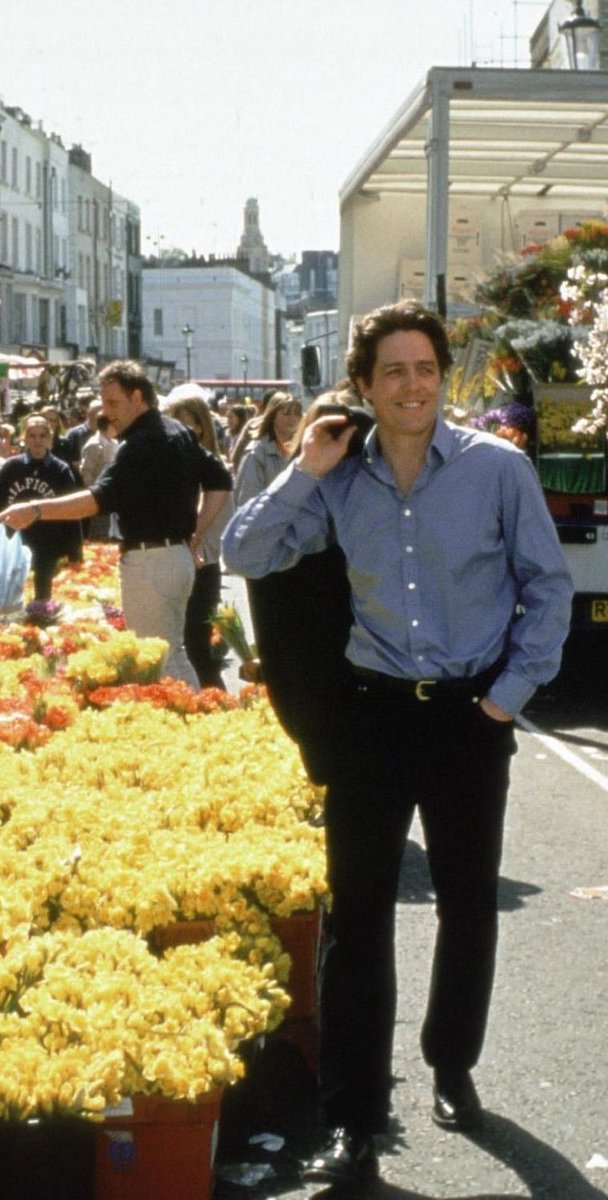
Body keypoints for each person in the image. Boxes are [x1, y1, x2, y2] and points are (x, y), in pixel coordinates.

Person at [222, 300, 572, 1188]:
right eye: (392, 373)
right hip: (372, 718)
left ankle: (452, 1066)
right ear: (365, 386)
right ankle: (355, 1113)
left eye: (424, 369)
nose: (412, 387)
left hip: (468, 721)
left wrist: (505, 701)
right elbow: (246, 550)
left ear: (442, 378)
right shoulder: (339, 476)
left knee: (467, 903)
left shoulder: (497, 471)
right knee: (359, 917)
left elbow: (548, 588)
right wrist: (306, 465)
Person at [0, 359, 232, 689]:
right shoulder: (178, 431)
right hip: (174, 558)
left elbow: (96, 500)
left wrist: (35, 509)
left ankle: (188, 725)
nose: (106, 413)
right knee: (173, 654)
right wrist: (195, 533)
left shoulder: (141, 444)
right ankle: (197, 720)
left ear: (138, 398)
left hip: (152, 563)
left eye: (113, 403)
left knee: (156, 661)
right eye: (103, 403)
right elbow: (220, 481)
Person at [240, 392, 371, 782]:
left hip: (343, 673)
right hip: (317, 663)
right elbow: (245, 553)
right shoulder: (300, 501)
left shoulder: (377, 499)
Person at [0, 414, 83, 601]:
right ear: (24, 438)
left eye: (42, 435)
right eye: (32, 435)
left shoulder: (60, 470)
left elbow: (72, 511)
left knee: (42, 594)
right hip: (14, 539)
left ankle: (40, 619)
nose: (37, 440)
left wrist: (74, 551)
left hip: (47, 540)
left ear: (50, 438)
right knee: (10, 594)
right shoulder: (12, 467)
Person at [167, 392, 234, 690]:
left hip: (201, 565)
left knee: (198, 648)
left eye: (184, 426)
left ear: (201, 428)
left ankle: (214, 704)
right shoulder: (175, 467)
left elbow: (216, 525)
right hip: (177, 564)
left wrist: (194, 543)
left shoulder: (214, 468)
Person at [232, 393, 304, 506]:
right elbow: (248, 498)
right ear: (272, 416)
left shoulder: (302, 450)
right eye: (286, 414)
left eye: (297, 414)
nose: (293, 418)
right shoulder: (257, 451)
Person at [78, 413, 118, 541]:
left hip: (113, 496)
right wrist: (94, 496)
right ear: (108, 426)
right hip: (100, 497)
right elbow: (86, 472)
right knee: (100, 534)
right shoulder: (94, 445)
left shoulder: (114, 443)